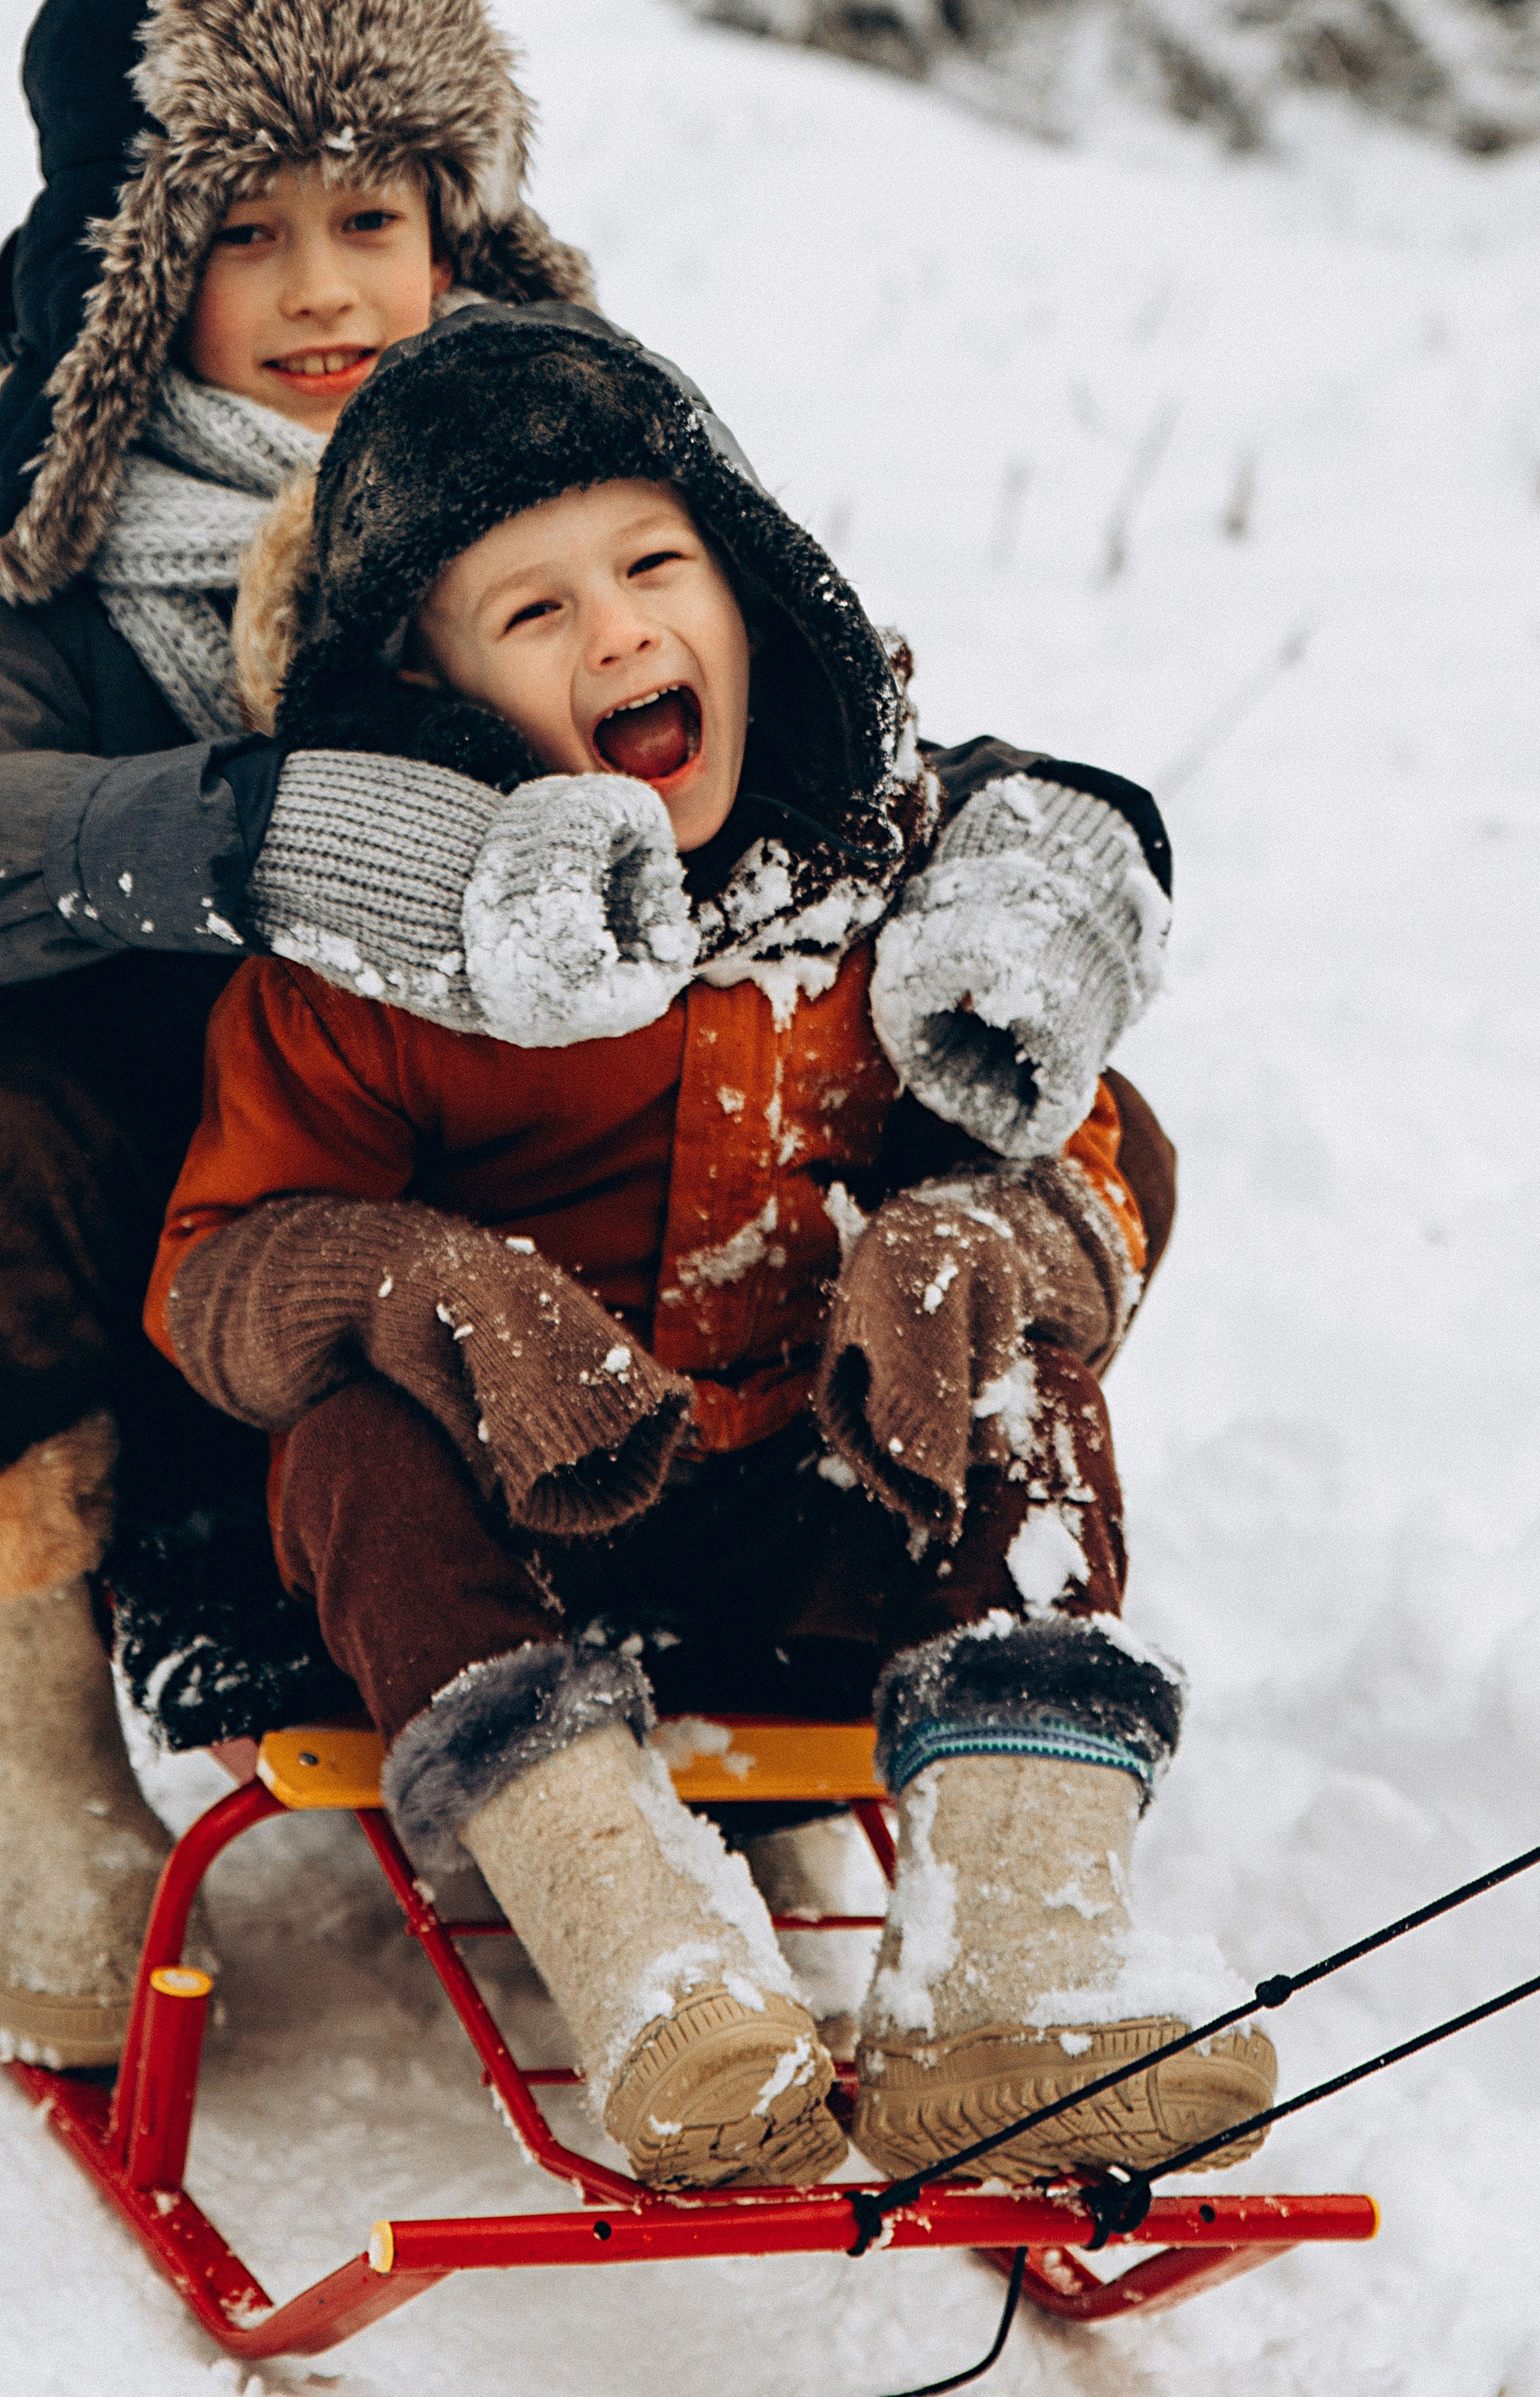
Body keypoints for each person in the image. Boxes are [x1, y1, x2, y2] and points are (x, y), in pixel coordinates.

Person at [144, 301, 1277, 2192]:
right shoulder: (393, 969)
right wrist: (417, 1283)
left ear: (753, 592)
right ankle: (650, 1966)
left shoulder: (893, 880)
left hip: (814, 1522)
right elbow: (218, 1272)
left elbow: (1087, 1154)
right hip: (521, 1557)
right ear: (436, 703)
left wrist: (980, 1244)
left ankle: (1016, 1976)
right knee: (349, 1452)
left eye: (655, 564)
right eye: (530, 614)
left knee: (1023, 1391)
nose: (618, 633)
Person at [0, 0, 704, 2067]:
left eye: (372, 216)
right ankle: (16, 1751)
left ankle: (730, 1576)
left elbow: (795, 707)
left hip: (534, 1193)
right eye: (242, 232)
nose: (322, 288)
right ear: (134, 274)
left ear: (457, 230)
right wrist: (239, 830)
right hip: (199, 1234)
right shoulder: (77, 552)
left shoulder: (577, 478)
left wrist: (1037, 836)